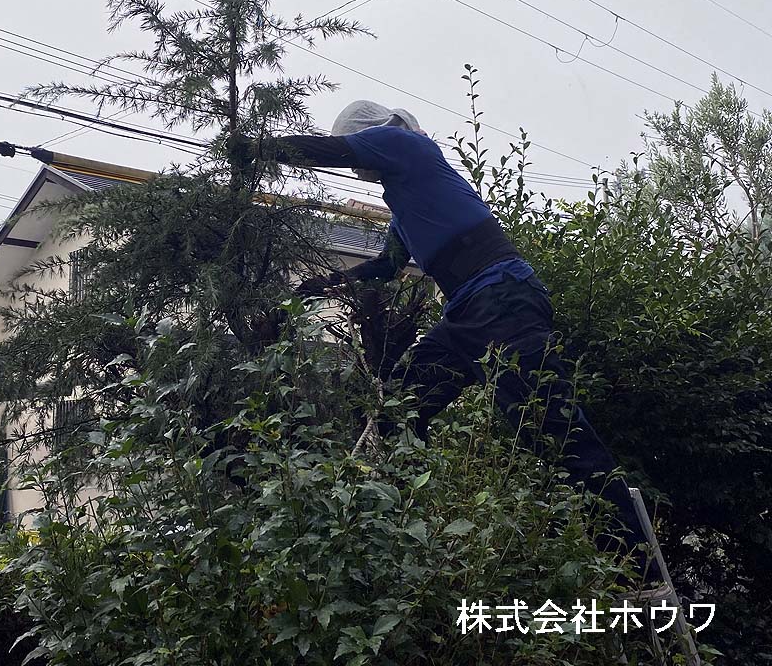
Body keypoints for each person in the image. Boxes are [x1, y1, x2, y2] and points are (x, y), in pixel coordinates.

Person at [229, 100, 659, 585]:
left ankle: (640, 572)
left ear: (375, 136)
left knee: (553, 429)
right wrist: (322, 284)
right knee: (401, 407)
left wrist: (254, 148)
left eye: (357, 159)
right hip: (466, 314)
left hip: (503, 298)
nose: (357, 170)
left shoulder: (403, 142)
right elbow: (388, 267)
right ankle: (412, 536)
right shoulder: (406, 208)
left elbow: (326, 150)